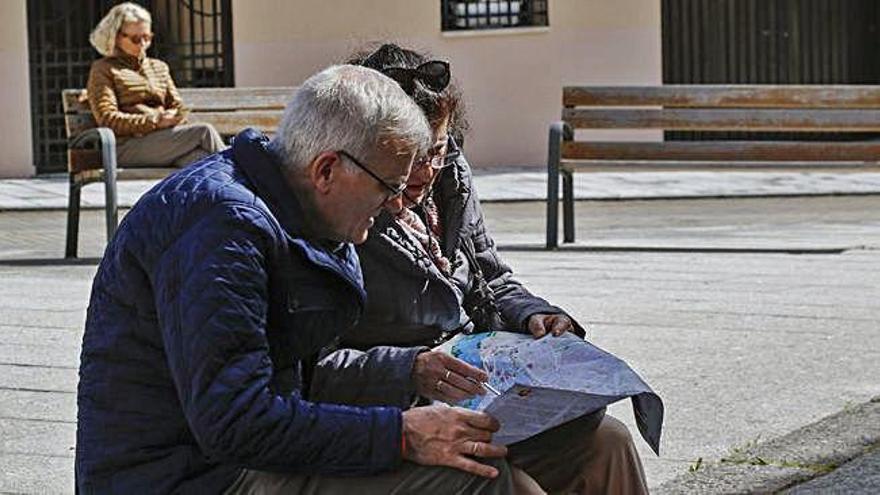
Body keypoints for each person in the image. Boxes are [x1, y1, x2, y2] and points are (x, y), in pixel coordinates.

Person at [76, 65, 529, 494]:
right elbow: (234, 422)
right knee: (476, 480)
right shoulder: (224, 229)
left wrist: (409, 370)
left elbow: (300, 372)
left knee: (550, 448)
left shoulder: (294, 210)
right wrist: (401, 436)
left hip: (226, 457)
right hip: (183, 478)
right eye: (388, 187)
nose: (396, 205)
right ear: (327, 169)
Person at [310, 44, 650, 494]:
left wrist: (533, 315)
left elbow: (489, 275)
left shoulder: (450, 178)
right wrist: (409, 367)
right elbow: (311, 367)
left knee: (610, 442)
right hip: (406, 410)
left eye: (437, 148)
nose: (425, 170)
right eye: (409, 157)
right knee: (511, 485)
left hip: (485, 394)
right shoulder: (346, 211)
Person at [86, 3, 224, 168]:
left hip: (165, 140)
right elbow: (108, 119)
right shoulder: (103, 69)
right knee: (204, 131)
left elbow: (178, 106)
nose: (143, 44)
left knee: (200, 159)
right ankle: (249, 179)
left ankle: (231, 190)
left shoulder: (159, 67)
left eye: (147, 37)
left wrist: (175, 115)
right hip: (126, 146)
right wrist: (155, 121)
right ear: (115, 37)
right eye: (136, 39)